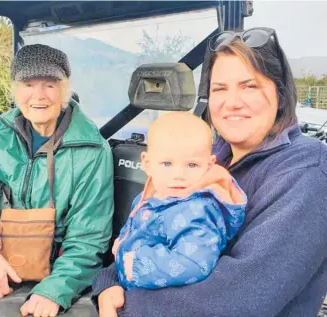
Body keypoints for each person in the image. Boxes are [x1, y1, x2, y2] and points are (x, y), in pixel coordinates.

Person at [93, 27, 327, 317]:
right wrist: (108, 284)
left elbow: (238, 298)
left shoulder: (305, 171)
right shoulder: (209, 158)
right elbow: (147, 228)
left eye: (250, 86)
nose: (232, 102)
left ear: (279, 92)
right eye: (219, 89)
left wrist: (127, 302)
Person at [0, 44, 114, 317]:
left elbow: (89, 239)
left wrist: (53, 290)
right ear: (16, 90)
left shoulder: (93, 151)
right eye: (28, 84)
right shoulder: (1, 131)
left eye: (50, 84)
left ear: (65, 89)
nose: (39, 96)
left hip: (55, 270)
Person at [112, 112, 246, 290]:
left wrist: (135, 264)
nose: (178, 175)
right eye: (167, 164)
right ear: (147, 163)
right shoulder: (151, 196)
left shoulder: (198, 211)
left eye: (192, 165)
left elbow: (193, 263)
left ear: (209, 165)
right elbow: (135, 227)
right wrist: (121, 245)